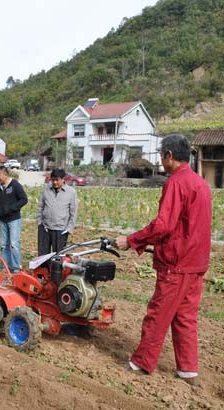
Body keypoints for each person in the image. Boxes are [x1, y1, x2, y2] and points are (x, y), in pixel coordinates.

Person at [115, 134, 212, 385]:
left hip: (177, 263)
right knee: (185, 317)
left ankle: (141, 362)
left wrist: (132, 240)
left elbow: (163, 225)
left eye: (161, 155)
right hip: (196, 263)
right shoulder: (200, 183)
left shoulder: (176, 182)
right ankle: (188, 370)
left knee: (158, 315)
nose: (161, 160)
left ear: (169, 155)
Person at [0, 166, 28, 273]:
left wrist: (12, 208)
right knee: (3, 245)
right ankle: (5, 267)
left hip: (14, 220)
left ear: (5, 174)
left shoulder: (15, 185)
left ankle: (15, 268)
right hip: (3, 220)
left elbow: (24, 200)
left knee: (14, 244)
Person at [37, 168, 77, 255]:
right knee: (43, 255)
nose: (54, 182)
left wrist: (69, 228)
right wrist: (40, 223)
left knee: (58, 257)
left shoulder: (71, 192)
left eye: (57, 180)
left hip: (61, 230)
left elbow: (73, 212)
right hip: (45, 228)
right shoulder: (46, 189)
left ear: (63, 179)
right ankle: (44, 268)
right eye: (53, 180)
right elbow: (40, 206)